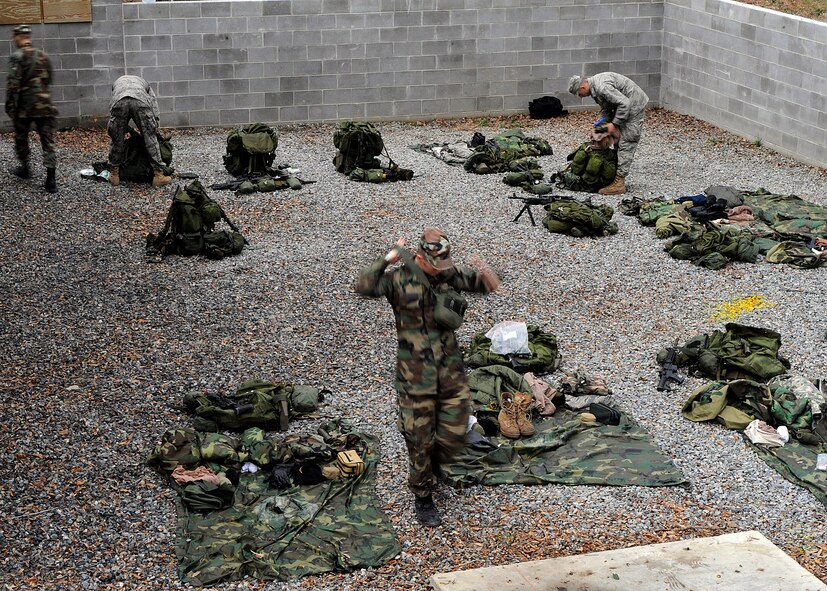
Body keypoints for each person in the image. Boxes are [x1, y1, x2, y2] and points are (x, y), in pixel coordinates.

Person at [355, 228, 500, 527]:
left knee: (456, 427)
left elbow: (487, 284)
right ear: (419, 257)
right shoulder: (399, 280)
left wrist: (484, 268)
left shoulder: (448, 274)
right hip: (415, 374)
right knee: (420, 438)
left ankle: (437, 462)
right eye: (436, 265)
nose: (441, 271)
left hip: (450, 370)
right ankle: (423, 495)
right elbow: (364, 285)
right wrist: (388, 257)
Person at [568, 72, 649, 195]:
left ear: (583, 88)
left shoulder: (602, 87)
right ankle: (612, 173)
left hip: (634, 106)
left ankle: (619, 183)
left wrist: (614, 124)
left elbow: (624, 103)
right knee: (614, 137)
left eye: (580, 94)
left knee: (627, 141)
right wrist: (600, 125)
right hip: (623, 105)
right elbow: (608, 107)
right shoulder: (595, 88)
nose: (581, 97)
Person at [5, 24, 59, 193]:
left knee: (21, 137)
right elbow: (49, 78)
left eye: (15, 37)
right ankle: (51, 180)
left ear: (19, 37)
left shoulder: (17, 57)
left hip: (25, 107)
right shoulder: (43, 55)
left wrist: (10, 105)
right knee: (47, 141)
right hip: (45, 105)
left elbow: (13, 84)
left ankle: (25, 168)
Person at [107, 74, 171, 187]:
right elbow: (154, 106)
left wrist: (128, 130)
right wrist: (154, 129)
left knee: (117, 138)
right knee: (150, 139)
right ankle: (158, 176)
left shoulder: (117, 84)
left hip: (119, 101)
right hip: (141, 101)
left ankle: (114, 175)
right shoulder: (145, 85)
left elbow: (114, 114)